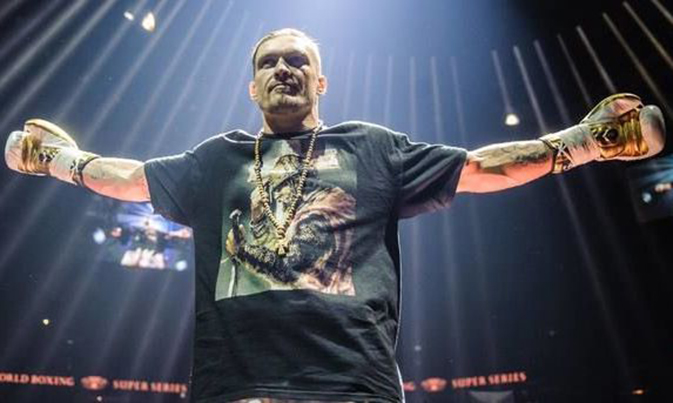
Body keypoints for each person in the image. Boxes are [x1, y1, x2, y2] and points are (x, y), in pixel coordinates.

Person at [4, 28, 666, 403]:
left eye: (298, 61)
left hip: (353, 385)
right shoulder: (216, 159)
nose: (283, 68)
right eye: (269, 62)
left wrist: (583, 143)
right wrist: (59, 159)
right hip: (236, 386)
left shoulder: (370, 147)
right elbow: (130, 179)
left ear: (320, 83)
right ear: (252, 86)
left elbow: (478, 168)